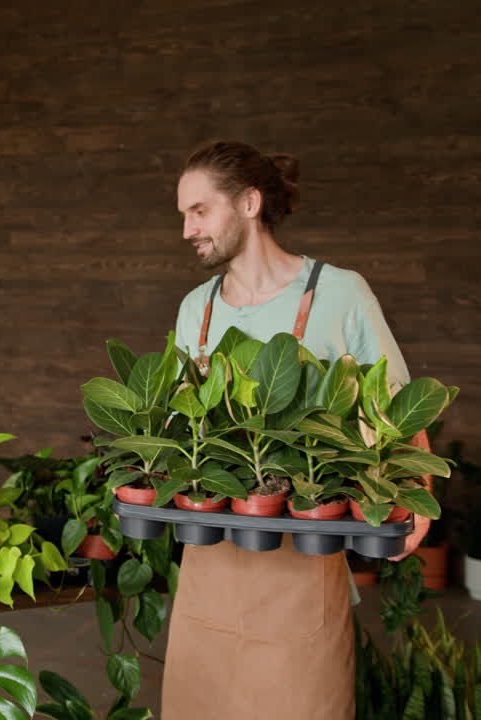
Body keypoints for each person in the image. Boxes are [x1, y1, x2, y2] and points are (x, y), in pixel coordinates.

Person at [161, 140, 429, 719]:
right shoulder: (195, 310)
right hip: (210, 564)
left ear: (250, 203)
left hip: (303, 561)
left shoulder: (340, 294)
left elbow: (398, 405)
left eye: (198, 210)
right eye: (183, 214)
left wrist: (421, 499)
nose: (186, 230)